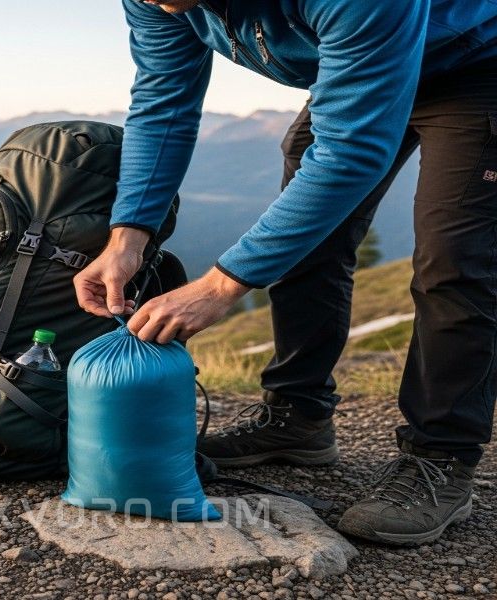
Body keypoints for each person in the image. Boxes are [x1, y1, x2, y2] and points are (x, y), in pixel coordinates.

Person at [73, 0, 497, 545]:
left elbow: (352, 150)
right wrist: (127, 238)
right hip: (363, 68)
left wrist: (219, 286)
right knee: (306, 238)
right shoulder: (156, 1)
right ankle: (298, 417)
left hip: (474, 65)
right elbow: (163, 101)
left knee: (454, 259)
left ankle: (441, 458)